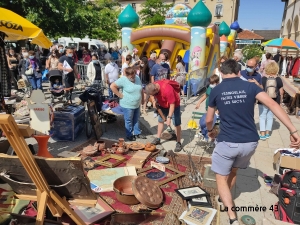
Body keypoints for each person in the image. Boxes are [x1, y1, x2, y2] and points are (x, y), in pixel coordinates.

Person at [206, 59, 300, 225]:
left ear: (221, 73)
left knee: (221, 178)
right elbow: (272, 103)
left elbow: (208, 119)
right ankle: (226, 196)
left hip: (228, 142)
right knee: (233, 171)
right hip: (250, 143)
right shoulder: (251, 86)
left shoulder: (217, 89)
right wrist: (293, 130)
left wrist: (210, 130)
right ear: (238, 71)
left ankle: (232, 216)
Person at [145, 81, 182, 152]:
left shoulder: (167, 90)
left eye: (154, 94)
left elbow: (172, 105)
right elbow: (151, 95)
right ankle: (158, 138)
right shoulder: (153, 85)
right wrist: (153, 101)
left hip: (174, 104)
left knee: (177, 123)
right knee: (160, 120)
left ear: (156, 89)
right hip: (163, 104)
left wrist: (169, 118)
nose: (153, 95)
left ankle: (178, 142)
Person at [110, 67, 146, 141]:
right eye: (131, 76)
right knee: (129, 120)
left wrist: (142, 99)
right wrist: (119, 94)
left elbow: (141, 89)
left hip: (136, 104)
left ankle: (137, 133)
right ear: (127, 75)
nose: (133, 77)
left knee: (136, 119)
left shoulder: (137, 78)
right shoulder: (123, 80)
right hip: (127, 105)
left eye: (133, 75)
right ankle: (129, 134)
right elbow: (112, 86)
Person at [258, 62, 283, 140]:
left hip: (263, 100)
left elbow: (260, 90)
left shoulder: (263, 79)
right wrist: (280, 102)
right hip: (274, 101)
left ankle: (262, 134)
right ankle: (268, 133)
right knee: (270, 117)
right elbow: (281, 92)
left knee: (262, 117)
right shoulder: (278, 79)